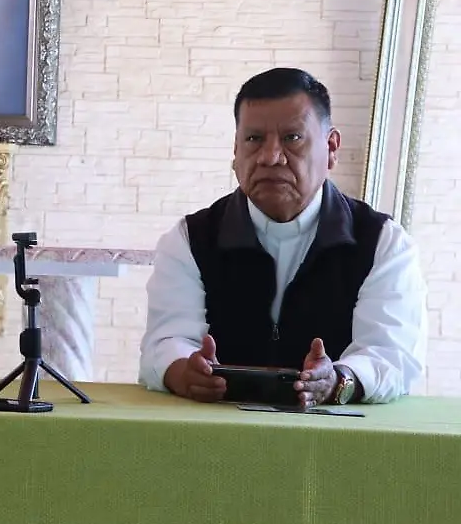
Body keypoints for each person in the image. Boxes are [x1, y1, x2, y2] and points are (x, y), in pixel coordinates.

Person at [138, 67, 427, 407]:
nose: (270, 157)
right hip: (216, 428)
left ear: (331, 147)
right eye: (253, 139)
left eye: (292, 138)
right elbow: (166, 341)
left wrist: (338, 381)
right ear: (235, 150)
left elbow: (391, 354)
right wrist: (185, 372)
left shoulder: (382, 243)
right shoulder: (191, 239)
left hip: (334, 432)